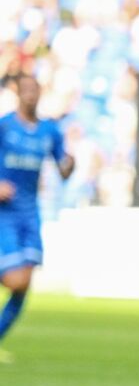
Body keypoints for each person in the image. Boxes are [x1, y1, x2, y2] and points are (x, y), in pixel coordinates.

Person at [0, 75, 73, 361]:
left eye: (35, 90)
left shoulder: (50, 132)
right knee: (15, 280)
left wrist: (71, 164)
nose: (31, 95)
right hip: (5, 213)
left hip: (31, 214)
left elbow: (62, 170)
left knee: (25, 283)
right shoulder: (5, 126)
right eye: (26, 90)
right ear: (17, 92)